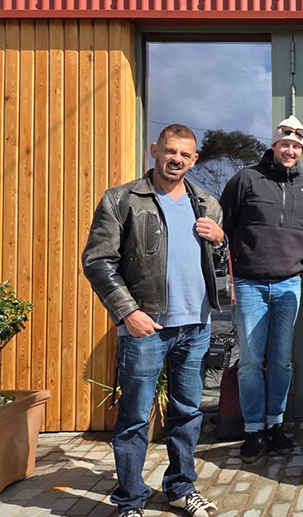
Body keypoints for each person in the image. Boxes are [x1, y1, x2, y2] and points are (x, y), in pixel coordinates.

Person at [82, 124, 223, 517]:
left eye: (185, 154)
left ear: (194, 160)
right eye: (170, 150)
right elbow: (97, 262)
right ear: (154, 150)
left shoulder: (207, 203)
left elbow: (219, 267)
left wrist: (221, 241)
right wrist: (128, 312)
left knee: (188, 412)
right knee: (134, 418)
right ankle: (130, 500)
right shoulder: (122, 199)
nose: (176, 159)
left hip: (196, 325)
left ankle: (181, 487)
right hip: (147, 328)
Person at [219, 116, 303, 463]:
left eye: (296, 146)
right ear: (274, 146)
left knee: (281, 360)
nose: (290, 150)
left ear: (301, 150)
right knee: (250, 361)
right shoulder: (246, 179)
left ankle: (275, 423)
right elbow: (226, 227)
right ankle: (252, 428)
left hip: (289, 283)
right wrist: (232, 276)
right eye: (285, 144)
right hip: (250, 284)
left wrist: (291, 259)